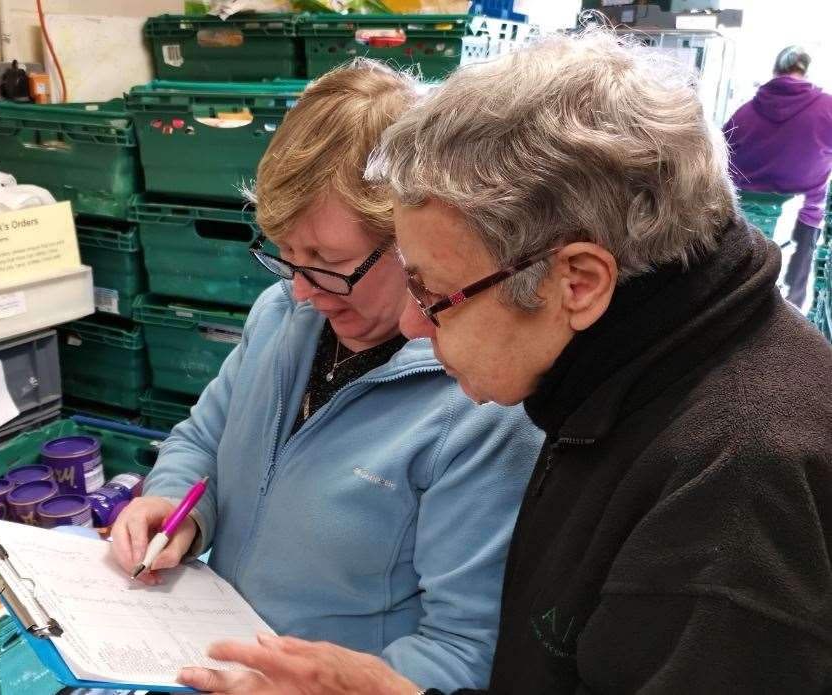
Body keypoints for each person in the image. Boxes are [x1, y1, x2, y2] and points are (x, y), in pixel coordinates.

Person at [197, 29, 832, 694]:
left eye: (435, 294)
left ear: (578, 281)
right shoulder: (619, 374)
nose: (412, 324)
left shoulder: (736, 490)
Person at [109, 58, 542, 693]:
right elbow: (202, 440)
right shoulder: (281, 317)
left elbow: (465, 652)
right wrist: (173, 504)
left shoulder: (479, 403)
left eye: (328, 262)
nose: (305, 293)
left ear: (412, 239)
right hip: (220, 660)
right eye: (286, 258)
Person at [725, 45, 832, 307]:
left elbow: (719, 157)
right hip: (801, 219)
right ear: (805, 71)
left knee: (735, 292)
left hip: (743, 218)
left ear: (775, 71)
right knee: (789, 305)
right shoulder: (827, 109)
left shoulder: (746, 112)